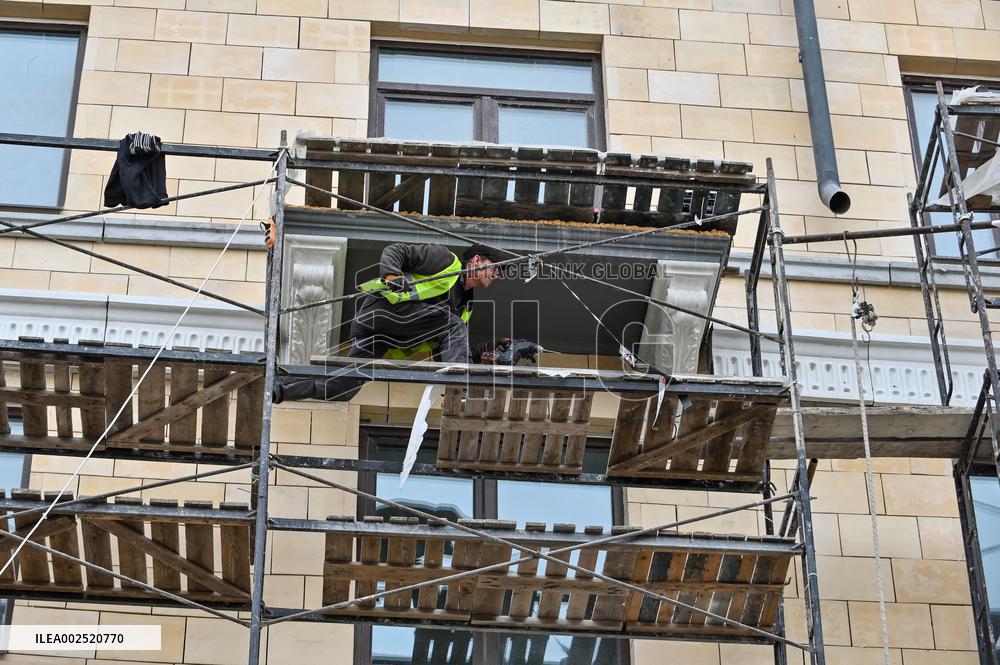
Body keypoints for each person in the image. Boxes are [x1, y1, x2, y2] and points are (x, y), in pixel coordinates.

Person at [273, 242, 502, 403]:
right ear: (477, 260)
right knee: (453, 325)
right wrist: (392, 275)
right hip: (386, 312)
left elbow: (447, 352)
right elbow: (397, 250)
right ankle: (460, 391)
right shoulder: (445, 261)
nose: (497, 275)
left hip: (386, 336)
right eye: (495, 267)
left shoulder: (466, 308)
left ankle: (279, 386)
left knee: (342, 388)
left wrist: (482, 351)